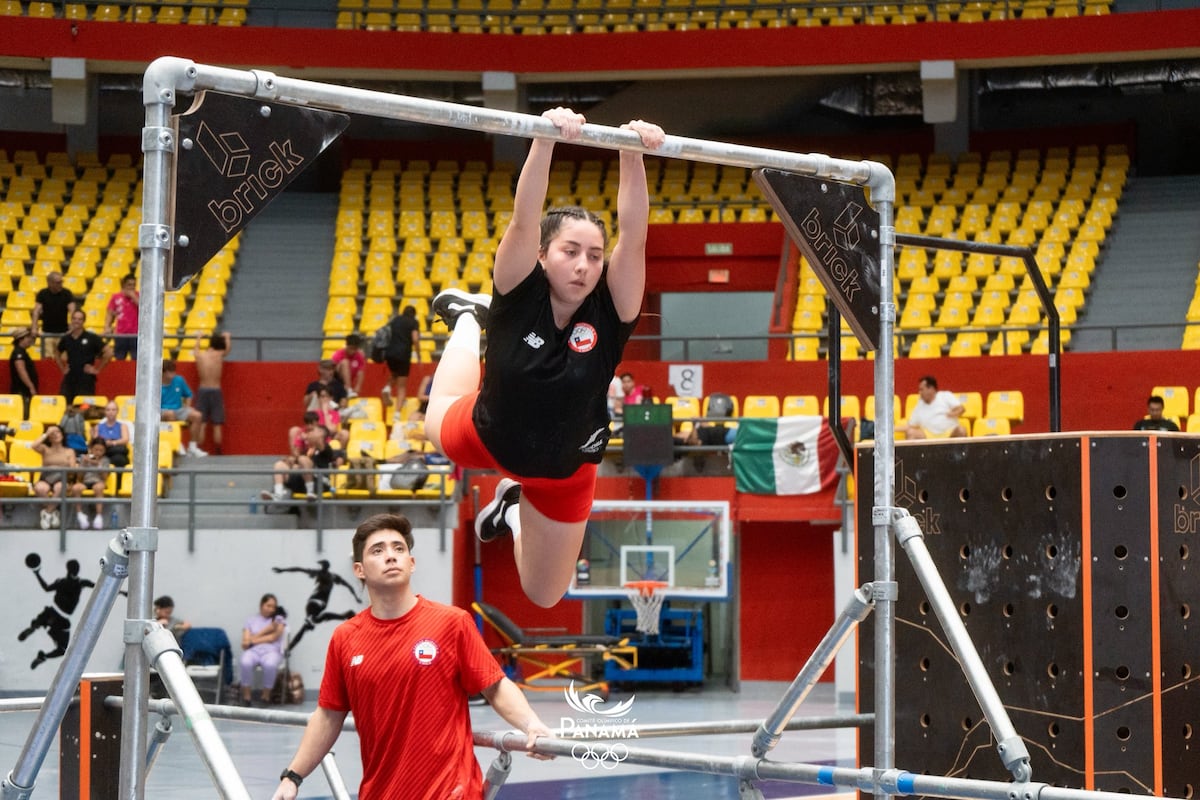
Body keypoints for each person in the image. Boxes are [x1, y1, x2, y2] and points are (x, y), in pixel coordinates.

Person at [424, 107, 664, 608]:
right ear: (541, 254)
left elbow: (635, 236)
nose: (583, 265)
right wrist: (544, 138)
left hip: (567, 473)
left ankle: (511, 506)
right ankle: (470, 318)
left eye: (594, 256)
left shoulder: (613, 308)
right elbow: (523, 217)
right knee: (432, 423)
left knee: (544, 593)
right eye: (569, 251)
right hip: (487, 437)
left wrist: (632, 153)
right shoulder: (517, 286)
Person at [270, 513, 551, 800]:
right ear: (359, 570)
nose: (390, 556)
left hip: (451, 793)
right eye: (377, 550)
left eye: (399, 548)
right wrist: (292, 777)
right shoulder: (346, 638)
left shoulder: (452, 623)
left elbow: (495, 685)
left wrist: (531, 724)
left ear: (412, 563)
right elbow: (328, 715)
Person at [271, 557, 361, 654]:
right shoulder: (333, 576)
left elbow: (299, 569)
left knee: (309, 624)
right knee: (318, 619)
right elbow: (348, 585)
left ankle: (289, 648)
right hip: (320, 604)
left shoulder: (323, 574)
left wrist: (282, 570)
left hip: (314, 603)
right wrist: (355, 597)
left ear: (324, 567)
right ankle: (345, 615)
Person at [261, 423, 343, 503]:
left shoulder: (326, 448)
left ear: (321, 433)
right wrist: (290, 462)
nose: (309, 433)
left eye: (313, 431)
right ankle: (278, 495)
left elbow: (318, 444)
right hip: (302, 482)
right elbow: (300, 463)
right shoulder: (309, 451)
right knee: (279, 465)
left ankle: (310, 491)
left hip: (320, 484)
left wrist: (306, 437)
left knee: (303, 459)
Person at [239, 593, 286, 707]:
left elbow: (273, 637)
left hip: (271, 651)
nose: (271, 609)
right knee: (245, 662)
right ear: (261, 605)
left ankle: (266, 697)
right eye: (268, 605)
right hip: (253, 651)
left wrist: (252, 640)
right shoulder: (250, 621)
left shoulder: (278, 620)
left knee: (270, 665)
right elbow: (245, 644)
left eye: (273, 607)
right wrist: (264, 633)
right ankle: (247, 697)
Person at [56, 309, 111, 404]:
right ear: (71, 320)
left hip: (86, 379)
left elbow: (109, 352)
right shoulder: (66, 338)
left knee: (84, 408)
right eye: (74, 318)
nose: (76, 321)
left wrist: (97, 369)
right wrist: (63, 368)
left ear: (83, 321)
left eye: (79, 319)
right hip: (70, 378)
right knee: (66, 406)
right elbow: (56, 352)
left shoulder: (92, 337)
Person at [31, 424, 77, 530]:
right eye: (53, 433)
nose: (56, 435)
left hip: (62, 477)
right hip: (46, 477)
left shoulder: (69, 451)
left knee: (60, 487)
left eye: (58, 432)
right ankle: (53, 511)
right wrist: (46, 433)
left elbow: (72, 468)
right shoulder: (45, 449)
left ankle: (46, 513)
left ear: (62, 435)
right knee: (40, 488)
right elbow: (33, 445)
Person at [380, 305, 421, 421]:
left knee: (394, 374)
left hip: (389, 353)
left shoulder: (395, 320)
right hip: (403, 354)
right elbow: (415, 339)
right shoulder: (413, 322)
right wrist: (418, 355)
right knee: (402, 386)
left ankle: (387, 387)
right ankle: (397, 413)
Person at [194, 331, 231, 454]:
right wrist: (227, 337)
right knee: (217, 424)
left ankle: (198, 449)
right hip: (216, 389)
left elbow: (195, 351)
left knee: (202, 423)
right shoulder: (219, 355)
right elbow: (227, 349)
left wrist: (199, 338)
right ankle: (218, 450)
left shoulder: (200, 356)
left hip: (203, 388)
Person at [160, 359, 207, 457]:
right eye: (170, 372)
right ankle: (177, 443)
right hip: (162, 411)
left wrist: (188, 408)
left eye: (173, 371)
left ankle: (192, 447)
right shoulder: (156, 384)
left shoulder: (179, 380)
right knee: (170, 414)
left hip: (179, 409)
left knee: (197, 415)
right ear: (163, 373)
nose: (173, 374)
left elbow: (188, 395)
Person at [904, 375, 967, 439]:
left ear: (931, 389)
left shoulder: (945, 396)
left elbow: (962, 409)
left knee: (961, 430)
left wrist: (953, 413)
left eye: (921, 390)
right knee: (910, 433)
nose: (919, 392)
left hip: (949, 433)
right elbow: (911, 425)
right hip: (928, 435)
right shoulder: (919, 405)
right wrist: (894, 428)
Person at [32, 271, 77, 356]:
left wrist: (73, 325)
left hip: (63, 333)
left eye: (61, 282)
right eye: (58, 282)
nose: (61, 284)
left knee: (64, 360)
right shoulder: (42, 294)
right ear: (50, 283)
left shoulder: (67, 293)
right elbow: (36, 311)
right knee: (48, 360)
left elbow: (73, 311)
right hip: (47, 333)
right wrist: (34, 327)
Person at [71, 436, 110, 530]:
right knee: (76, 488)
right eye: (96, 449)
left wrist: (98, 465)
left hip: (99, 482)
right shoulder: (85, 459)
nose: (98, 452)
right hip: (86, 482)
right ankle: (80, 515)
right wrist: (84, 464)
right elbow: (80, 477)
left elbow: (105, 477)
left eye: (101, 450)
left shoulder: (105, 460)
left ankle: (99, 516)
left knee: (98, 488)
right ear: (91, 449)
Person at [103, 273, 139, 361]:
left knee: (136, 360)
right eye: (129, 285)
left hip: (136, 334)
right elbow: (109, 313)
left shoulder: (139, 296)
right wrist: (107, 327)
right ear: (124, 285)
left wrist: (133, 297)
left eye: (133, 285)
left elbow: (145, 309)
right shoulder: (116, 297)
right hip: (120, 334)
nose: (131, 287)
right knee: (119, 359)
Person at [9, 327, 39, 416]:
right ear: (21, 339)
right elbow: (21, 371)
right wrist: (31, 386)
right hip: (22, 391)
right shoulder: (19, 353)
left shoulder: (21, 352)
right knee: (24, 414)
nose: (30, 340)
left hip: (23, 391)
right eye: (28, 337)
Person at [92, 400, 132, 468]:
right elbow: (96, 441)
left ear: (117, 411)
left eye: (113, 410)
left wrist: (112, 443)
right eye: (108, 410)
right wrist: (105, 443)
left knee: (120, 457)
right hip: (104, 451)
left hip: (118, 451)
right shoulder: (98, 427)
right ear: (105, 412)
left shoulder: (123, 426)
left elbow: (125, 439)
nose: (111, 412)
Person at [330, 333, 366, 399]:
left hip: (348, 381)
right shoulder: (338, 354)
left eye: (355, 349)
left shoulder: (359, 356)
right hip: (336, 379)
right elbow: (331, 370)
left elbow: (361, 371)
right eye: (351, 348)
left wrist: (358, 386)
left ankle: (348, 389)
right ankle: (348, 388)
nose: (353, 351)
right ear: (347, 346)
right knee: (345, 362)